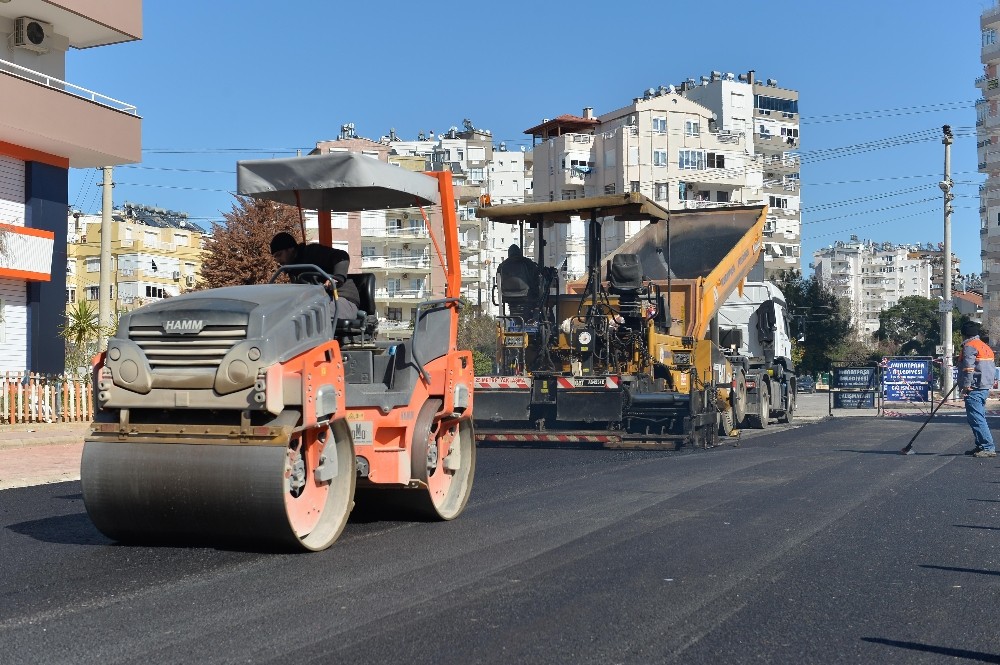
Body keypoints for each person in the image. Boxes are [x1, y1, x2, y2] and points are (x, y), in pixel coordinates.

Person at [270, 232, 360, 321]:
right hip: (319, 303)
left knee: (309, 314)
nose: (278, 260)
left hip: (341, 299)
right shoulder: (292, 269)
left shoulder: (312, 252)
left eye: (279, 255)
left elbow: (341, 256)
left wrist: (337, 278)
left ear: (290, 249)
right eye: (275, 257)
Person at [959, 320, 996, 458]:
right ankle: (981, 445)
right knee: (977, 416)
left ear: (964, 335)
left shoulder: (969, 346)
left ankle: (987, 446)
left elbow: (969, 368)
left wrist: (966, 385)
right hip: (983, 386)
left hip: (974, 387)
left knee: (976, 417)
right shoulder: (984, 346)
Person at [497, 244, 540, 317]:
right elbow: (536, 276)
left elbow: (498, 280)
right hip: (526, 295)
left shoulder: (502, 265)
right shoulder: (527, 262)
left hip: (507, 296)